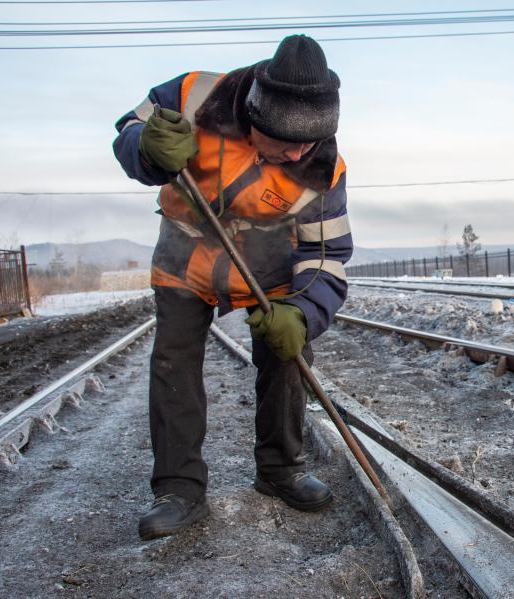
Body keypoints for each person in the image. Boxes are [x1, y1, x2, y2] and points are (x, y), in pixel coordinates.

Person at [112, 34, 351, 541]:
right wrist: (147, 150)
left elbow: (327, 255)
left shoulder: (324, 167)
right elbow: (129, 130)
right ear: (254, 116)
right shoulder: (196, 95)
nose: (297, 152)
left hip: (269, 267)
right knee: (173, 362)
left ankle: (280, 469)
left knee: (287, 354)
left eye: (308, 140)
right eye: (285, 140)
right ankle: (178, 489)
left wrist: (305, 311)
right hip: (186, 259)